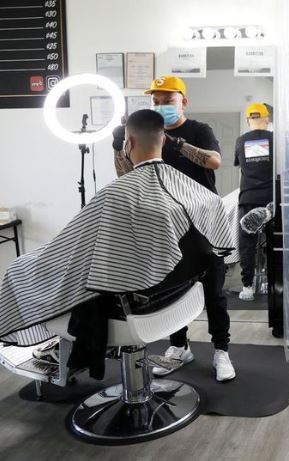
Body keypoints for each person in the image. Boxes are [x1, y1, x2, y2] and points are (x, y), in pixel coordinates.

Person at [1, 110, 235, 379]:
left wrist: (31, 264)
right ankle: (179, 347)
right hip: (179, 292)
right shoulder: (198, 194)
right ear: (163, 141)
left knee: (21, 269)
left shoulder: (116, 195)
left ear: (130, 143)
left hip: (140, 305)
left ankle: (219, 350)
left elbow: (71, 248)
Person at [113, 76, 234, 381]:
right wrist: (121, 148)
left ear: (183, 101)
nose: (161, 105)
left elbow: (215, 162)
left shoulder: (199, 130)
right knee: (172, 290)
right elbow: (128, 178)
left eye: (168, 99)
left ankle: (222, 351)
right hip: (166, 227)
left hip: (203, 225)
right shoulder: (148, 134)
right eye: (156, 100)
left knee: (214, 293)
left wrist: (178, 144)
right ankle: (179, 347)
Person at [234, 103, 274, 301]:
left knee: (247, 245)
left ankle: (247, 287)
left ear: (249, 120)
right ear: (267, 119)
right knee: (274, 243)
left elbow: (239, 164)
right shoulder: (275, 140)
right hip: (271, 200)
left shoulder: (240, 141)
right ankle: (274, 284)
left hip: (248, 198)